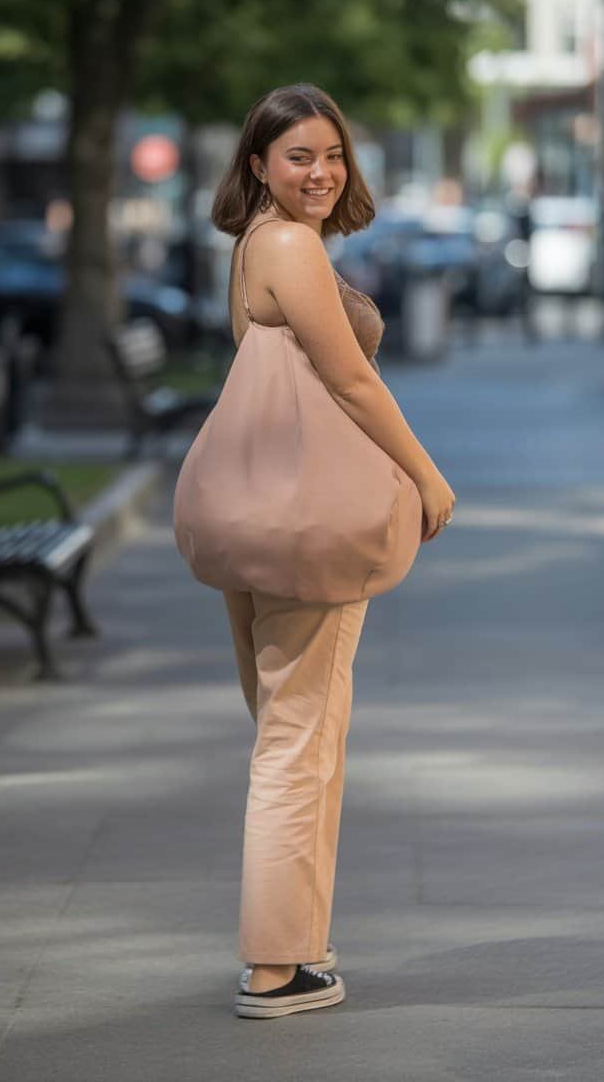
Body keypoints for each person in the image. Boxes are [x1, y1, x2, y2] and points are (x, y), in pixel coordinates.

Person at [209, 83, 455, 1019]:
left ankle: (297, 943)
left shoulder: (256, 245)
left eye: (333, 154)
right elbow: (349, 379)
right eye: (299, 156)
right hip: (303, 523)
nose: (321, 172)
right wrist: (425, 475)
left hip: (263, 513)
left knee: (293, 731)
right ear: (259, 166)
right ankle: (274, 965)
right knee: (297, 739)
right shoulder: (285, 244)